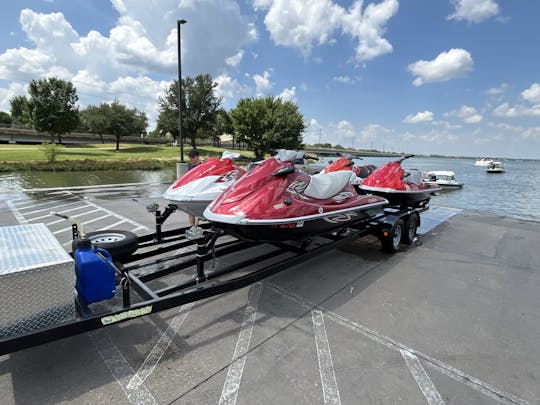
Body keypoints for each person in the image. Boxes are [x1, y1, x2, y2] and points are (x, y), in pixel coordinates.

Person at [187, 149, 202, 226]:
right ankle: (192, 227)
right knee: (190, 210)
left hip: (200, 189)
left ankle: (198, 223)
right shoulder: (190, 165)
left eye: (192, 157)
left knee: (201, 209)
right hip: (192, 189)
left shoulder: (203, 165)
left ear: (197, 157)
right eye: (189, 157)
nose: (191, 159)